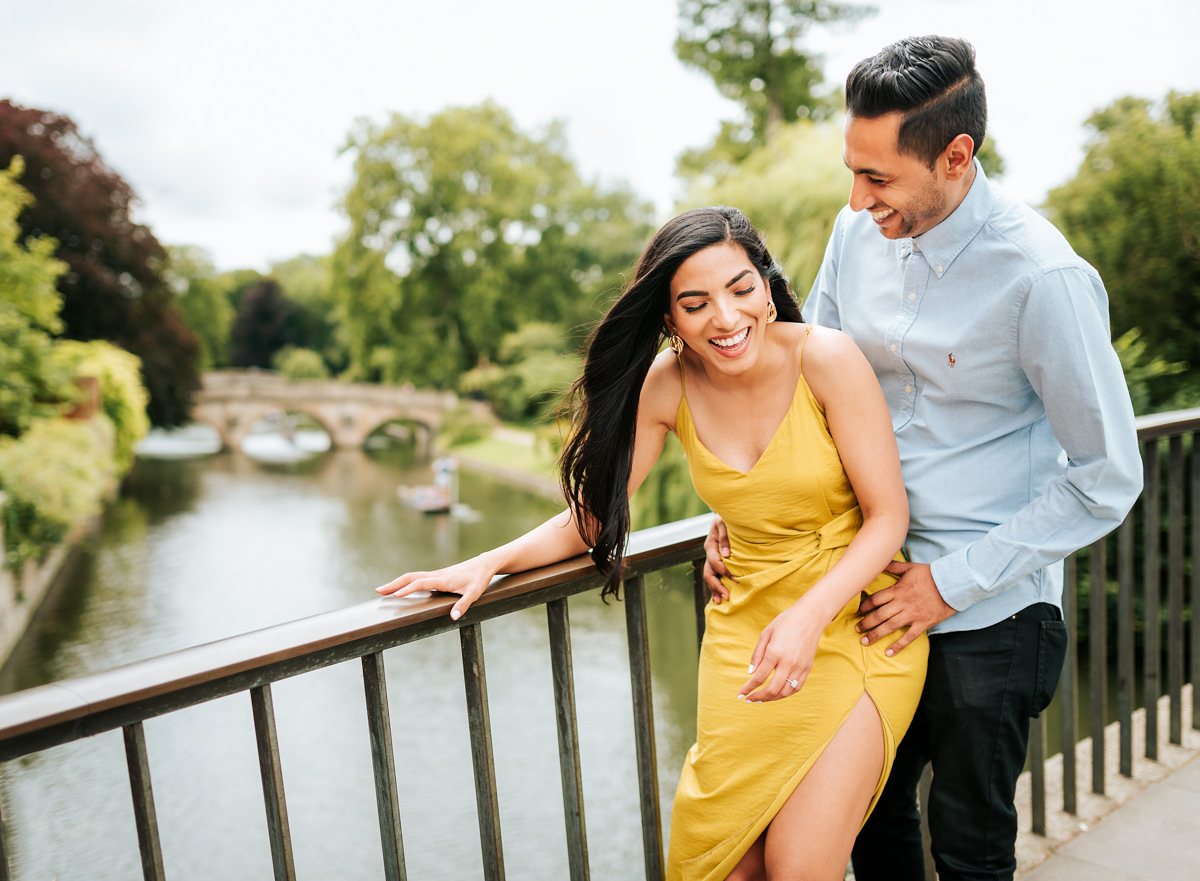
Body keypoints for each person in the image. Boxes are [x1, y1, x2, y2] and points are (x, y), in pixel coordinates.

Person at [703, 35, 1143, 881]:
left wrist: (947, 583)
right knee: (868, 827)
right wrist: (745, 505)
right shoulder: (853, 229)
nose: (857, 196)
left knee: (971, 849)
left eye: (878, 178)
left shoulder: (1044, 278)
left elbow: (1106, 476)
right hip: (862, 595)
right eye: (852, 170)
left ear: (955, 154)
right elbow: (803, 385)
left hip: (990, 619)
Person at [377, 206, 928, 881]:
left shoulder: (826, 357)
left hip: (853, 622)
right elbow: (595, 518)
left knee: (797, 864)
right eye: (695, 304)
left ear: (765, 283)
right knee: (721, 865)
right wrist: (489, 561)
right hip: (745, 635)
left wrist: (808, 618)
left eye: (741, 288)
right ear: (669, 318)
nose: (725, 318)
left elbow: (887, 517)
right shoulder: (667, 383)